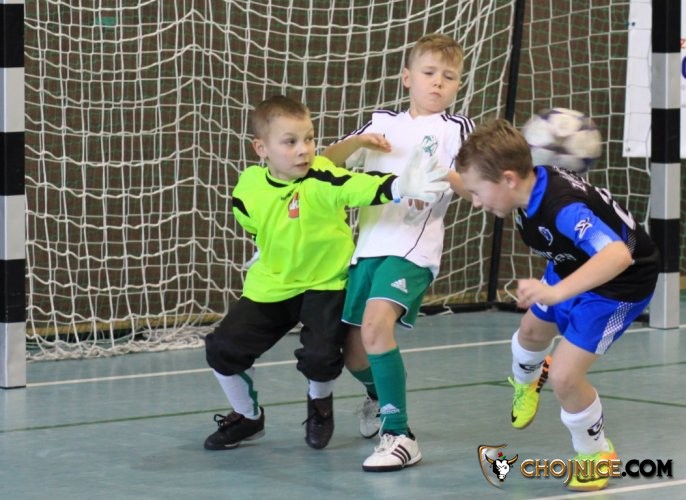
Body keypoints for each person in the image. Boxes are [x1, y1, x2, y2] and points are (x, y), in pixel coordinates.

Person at [203, 95, 449, 452]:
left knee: (321, 357)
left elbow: (361, 186)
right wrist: (269, 245)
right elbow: (252, 222)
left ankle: (320, 406)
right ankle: (247, 416)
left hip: (327, 284)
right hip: (273, 284)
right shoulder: (248, 189)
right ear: (262, 149)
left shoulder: (323, 175)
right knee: (222, 348)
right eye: (290, 142)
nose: (304, 149)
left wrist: (400, 186)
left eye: (309, 138)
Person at [455, 118, 659, 491]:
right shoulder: (522, 187)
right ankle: (527, 382)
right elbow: (481, 184)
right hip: (573, 264)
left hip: (619, 284)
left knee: (565, 377)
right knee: (531, 333)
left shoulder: (563, 208)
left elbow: (617, 256)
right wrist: (437, 176)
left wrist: (556, 293)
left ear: (508, 179)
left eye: (477, 192)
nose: (475, 201)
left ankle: (595, 455)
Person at [322, 33, 474, 471]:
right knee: (354, 353)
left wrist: (444, 174)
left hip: (413, 249)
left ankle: (400, 435)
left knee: (375, 327)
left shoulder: (456, 130)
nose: (438, 82)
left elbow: (474, 188)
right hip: (368, 248)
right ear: (408, 78)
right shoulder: (381, 123)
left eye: (449, 77)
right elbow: (326, 163)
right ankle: (377, 395)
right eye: (429, 73)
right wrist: (358, 144)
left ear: (457, 85)